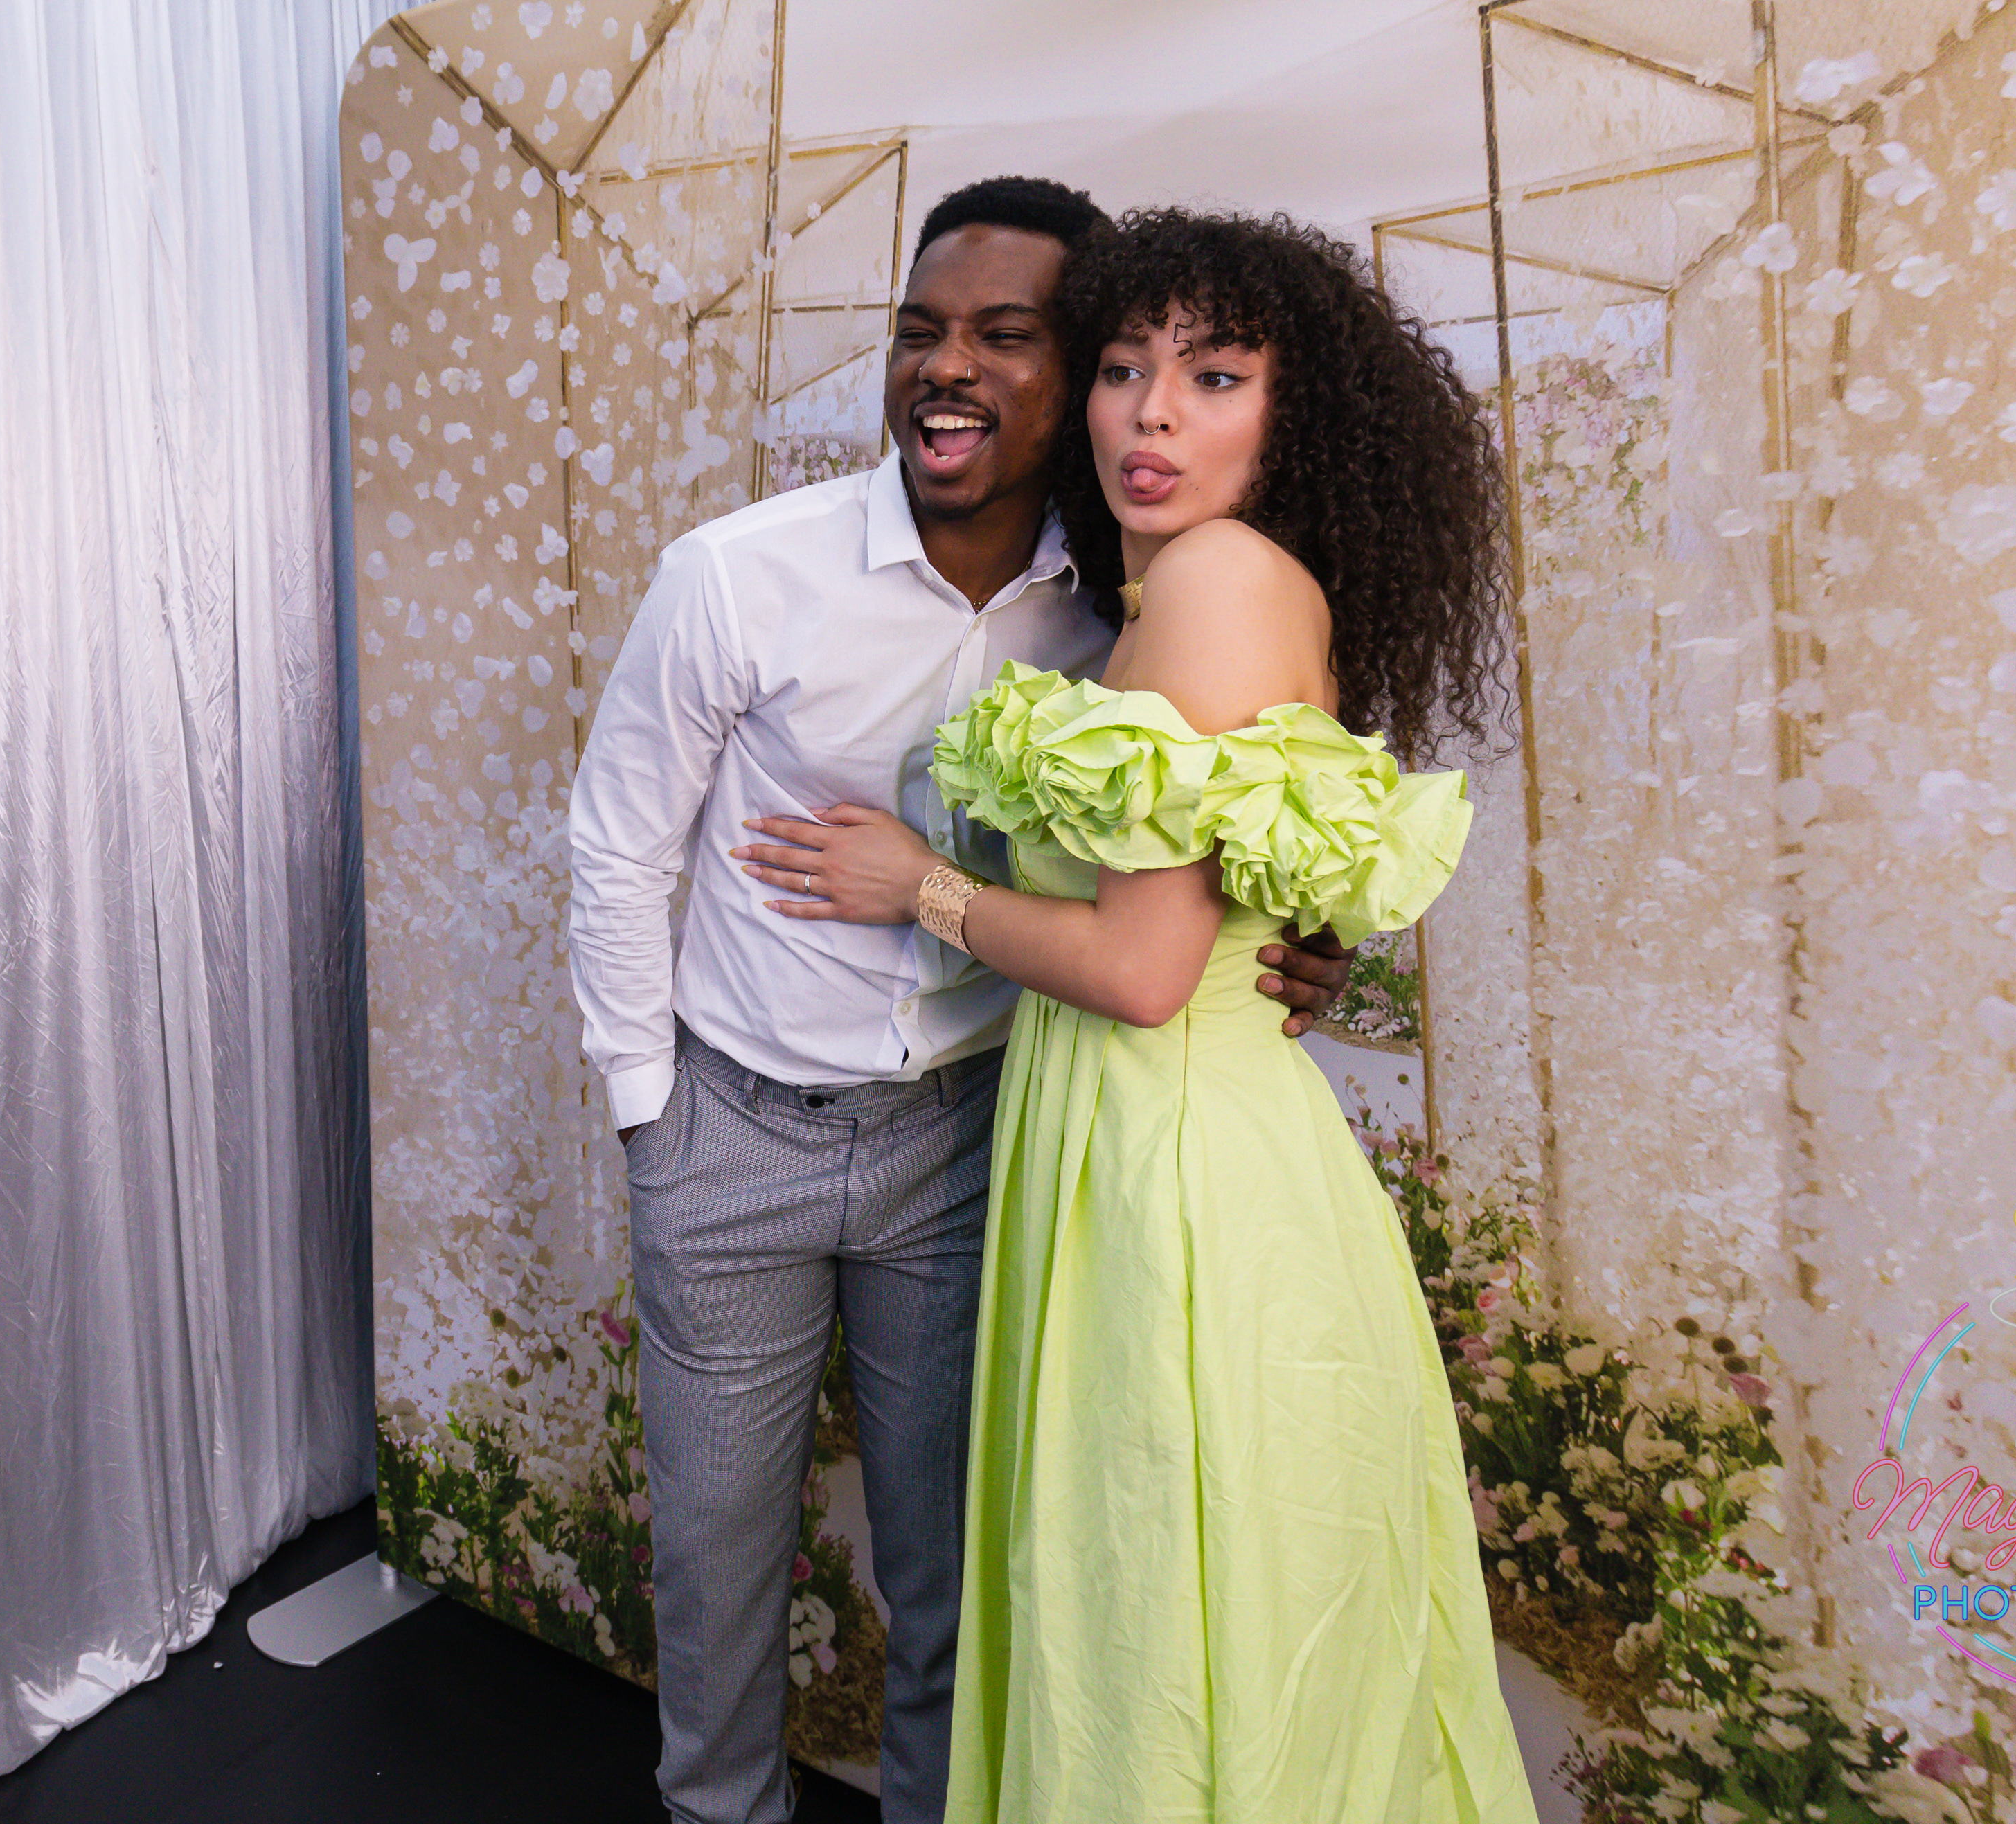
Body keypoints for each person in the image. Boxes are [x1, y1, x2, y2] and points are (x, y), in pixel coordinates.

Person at [563, 180, 1355, 1824]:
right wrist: (654, 1117)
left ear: (1070, 376)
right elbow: (617, 846)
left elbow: (1220, 840)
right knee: (714, 1574)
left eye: (1009, 337)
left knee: (955, 1583)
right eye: (923, 331)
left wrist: (1292, 935)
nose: (952, 368)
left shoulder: (1124, 600)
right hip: (734, 1137)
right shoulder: (735, 574)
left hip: (976, 1152)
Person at [734, 208, 1541, 1820]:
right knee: (1184, 1602)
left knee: (1160, 1609)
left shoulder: (1220, 579)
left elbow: (1144, 968)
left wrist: (922, 889)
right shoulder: (1180, 586)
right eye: (1120, 369)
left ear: (1291, 419)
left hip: (1171, 1169)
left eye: (1216, 377)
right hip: (1153, 1140)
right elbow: (1228, 913)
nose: (1150, 415)